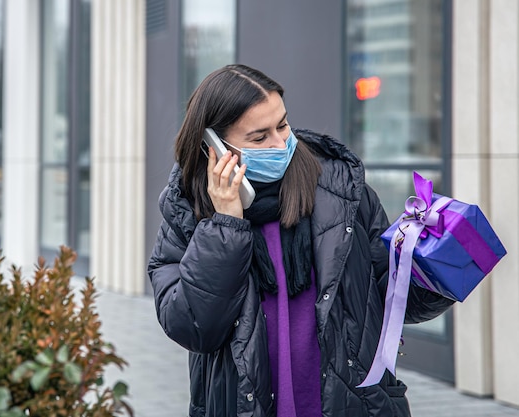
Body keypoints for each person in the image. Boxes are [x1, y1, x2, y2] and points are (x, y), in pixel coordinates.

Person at [147, 64, 454, 417]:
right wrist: (225, 224)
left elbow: (391, 299)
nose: (281, 144)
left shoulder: (340, 190)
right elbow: (194, 327)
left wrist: (436, 264)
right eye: (259, 138)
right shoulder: (186, 211)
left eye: (283, 125)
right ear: (213, 146)